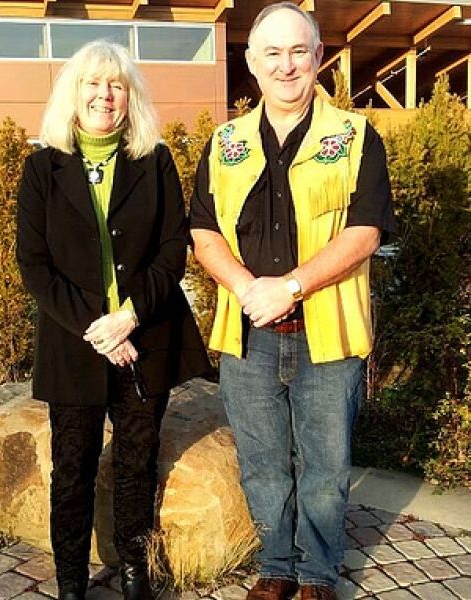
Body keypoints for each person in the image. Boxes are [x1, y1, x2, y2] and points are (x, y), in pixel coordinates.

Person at [189, 4, 395, 600]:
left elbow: (365, 232)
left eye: (298, 52)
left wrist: (291, 285)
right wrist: (245, 286)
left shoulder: (355, 137)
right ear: (252, 64)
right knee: (262, 467)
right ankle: (276, 566)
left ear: (318, 57)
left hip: (325, 335)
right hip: (247, 338)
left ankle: (318, 575)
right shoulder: (225, 142)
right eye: (272, 54)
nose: (286, 65)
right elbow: (203, 231)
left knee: (327, 472)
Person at [16, 40, 210, 600]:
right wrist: (98, 329)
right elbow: (33, 262)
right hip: (74, 342)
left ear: (131, 97)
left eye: (117, 86)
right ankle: (71, 582)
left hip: (144, 336)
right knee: (72, 469)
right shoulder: (41, 168)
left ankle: (134, 572)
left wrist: (128, 316)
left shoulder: (155, 161)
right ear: (72, 94)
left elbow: (174, 247)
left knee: (137, 461)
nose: (105, 96)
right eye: (93, 85)